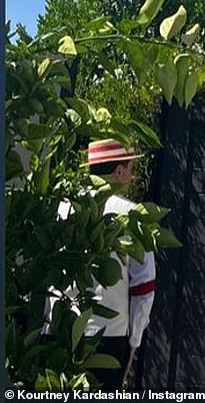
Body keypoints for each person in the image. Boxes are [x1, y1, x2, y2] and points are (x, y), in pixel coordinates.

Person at [43, 139, 156, 389]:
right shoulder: (134, 217)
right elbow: (144, 288)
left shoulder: (60, 208)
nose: (132, 177)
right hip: (106, 337)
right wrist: (134, 341)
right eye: (130, 169)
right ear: (119, 171)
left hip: (56, 330)